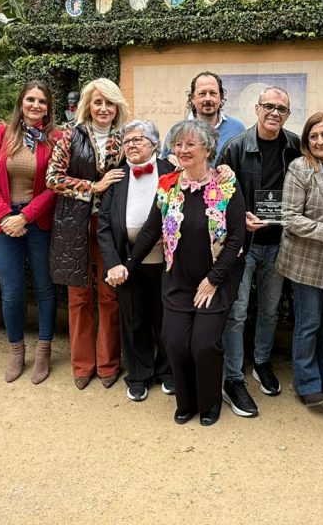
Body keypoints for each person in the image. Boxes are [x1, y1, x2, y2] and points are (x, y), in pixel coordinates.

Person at [112, 119, 246, 425]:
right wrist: (129, 267)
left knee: (204, 344)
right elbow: (150, 231)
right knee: (173, 340)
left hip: (215, 281)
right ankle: (187, 401)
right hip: (178, 280)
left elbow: (237, 237)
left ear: (208, 149)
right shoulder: (168, 185)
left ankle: (209, 402)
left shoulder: (227, 184)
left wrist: (213, 281)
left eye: (190, 144)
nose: (182, 150)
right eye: (178, 144)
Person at [218, 86, 301, 417]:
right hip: (244, 246)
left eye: (282, 108)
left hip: (279, 243)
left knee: (269, 310)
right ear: (256, 108)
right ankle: (233, 377)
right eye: (269, 106)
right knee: (236, 313)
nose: (275, 113)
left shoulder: (294, 146)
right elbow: (217, 195)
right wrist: (240, 217)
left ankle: (262, 362)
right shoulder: (236, 147)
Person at [46, 77, 127, 389]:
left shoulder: (125, 138)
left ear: (117, 106)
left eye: (109, 103)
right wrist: (93, 186)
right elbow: (53, 178)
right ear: (87, 106)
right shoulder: (71, 135)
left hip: (110, 229)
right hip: (73, 227)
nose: (103, 108)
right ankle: (82, 365)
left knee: (110, 295)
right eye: (97, 102)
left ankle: (108, 364)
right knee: (78, 297)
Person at [0, 81, 61, 384]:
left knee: (44, 289)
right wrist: (5, 217)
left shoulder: (55, 139)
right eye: (30, 99)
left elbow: (56, 185)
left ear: (48, 107)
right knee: (12, 293)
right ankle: (16, 350)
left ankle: (43, 350)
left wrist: (25, 215)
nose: (35, 105)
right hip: (3, 225)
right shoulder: (2, 134)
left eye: (42, 101)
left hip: (38, 222)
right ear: (21, 102)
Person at [275, 112, 323, 406]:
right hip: (307, 257)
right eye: (313, 136)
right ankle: (306, 381)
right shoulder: (300, 168)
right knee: (308, 322)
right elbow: (289, 218)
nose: (320, 141)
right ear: (307, 140)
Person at [99, 120, 174, 402]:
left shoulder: (172, 170)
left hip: (167, 263)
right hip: (127, 264)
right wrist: (113, 262)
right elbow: (105, 224)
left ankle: (168, 372)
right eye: (127, 140)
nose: (131, 144)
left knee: (166, 319)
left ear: (155, 143)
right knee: (133, 320)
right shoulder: (116, 175)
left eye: (138, 139)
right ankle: (139, 374)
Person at [161, 72, 246, 159]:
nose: (208, 98)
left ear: (221, 97)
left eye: (213, 93)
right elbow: (164, 166)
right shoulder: (176, 131)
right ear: (192, 98)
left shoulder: (237, 129)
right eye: (202, 94)